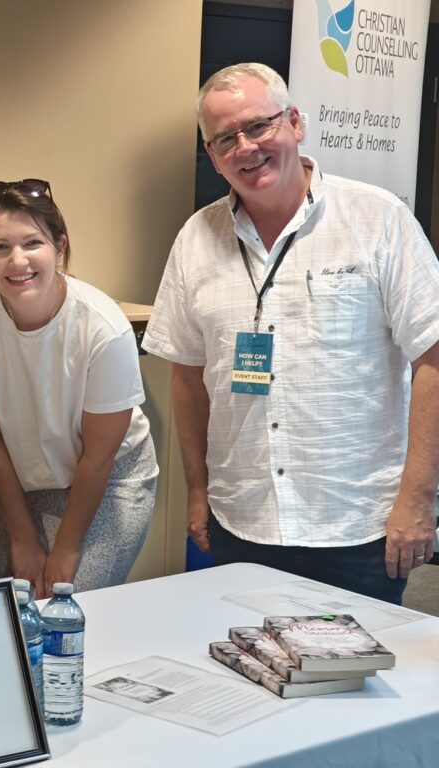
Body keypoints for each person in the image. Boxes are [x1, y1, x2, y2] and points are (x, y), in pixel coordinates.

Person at [142, 63, 439, 604]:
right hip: (243, 519)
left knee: (354, 684)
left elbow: (433, 359)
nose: (246, 147)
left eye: (259, 126)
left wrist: (419, 497)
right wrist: (198, 490)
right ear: (212, 154)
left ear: (295, 122)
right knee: (249, 678)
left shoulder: (378, 220)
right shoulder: (195, 239)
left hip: (359, 525)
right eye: (226, 138)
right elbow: (187, 378)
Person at [0, 180, 158, 599]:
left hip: (106, 478)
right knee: (14, 609)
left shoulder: (104, 327)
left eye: (32, 242)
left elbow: (98, 457)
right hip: (20, 475)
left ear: (60, 247)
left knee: (67, 604)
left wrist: (67, 547)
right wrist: (23, 539)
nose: (17, 260)